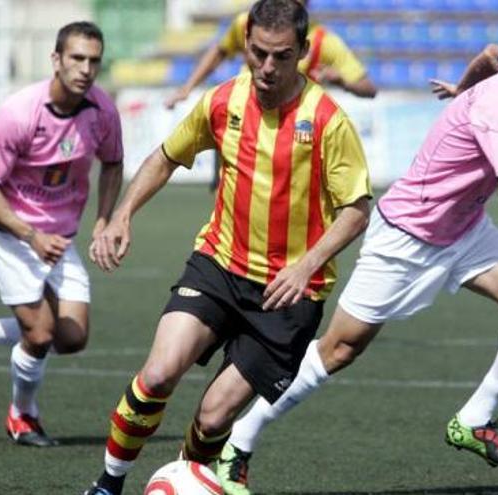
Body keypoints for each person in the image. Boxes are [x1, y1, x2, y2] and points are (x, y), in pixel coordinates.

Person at [214, 22, 498, 495]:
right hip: (407, 234)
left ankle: (474, 420)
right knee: (339, 349)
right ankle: (241, 439)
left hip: (464, 228)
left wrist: (462, 91)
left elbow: (489, 52)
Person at [83, 1, 371, 494]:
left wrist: (306, 266)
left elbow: (358, 208)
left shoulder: (327, 120)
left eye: (281, 56)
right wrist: (124, 213)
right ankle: (108, 486)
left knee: (214, 419)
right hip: (218, 265)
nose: (267, 67)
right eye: (257, 53)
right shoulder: (222, 101)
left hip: (288, 296)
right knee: (157, 375)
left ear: (302, 51)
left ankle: (184, 479)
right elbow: (166, 156)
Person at [0, 21, 124, 447]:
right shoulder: (20, 112)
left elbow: (113, 163)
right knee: (39, 333)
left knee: (71, 338)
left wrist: (104, 219)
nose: (85, 68)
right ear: (56, 60)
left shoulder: (102, 111)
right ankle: (23, 416)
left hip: (59, 235)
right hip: (5, 230)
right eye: (76, 58)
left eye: (94, 60)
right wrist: (30, 235)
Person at [164, 0, 377, 111]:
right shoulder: (249, 24)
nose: (267, 66)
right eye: (259, 52)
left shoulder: (325, 41)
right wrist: (187, 89)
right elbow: (220, 51)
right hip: (239, 117)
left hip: (291, 130)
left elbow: (369, 89)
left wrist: (341, 81)